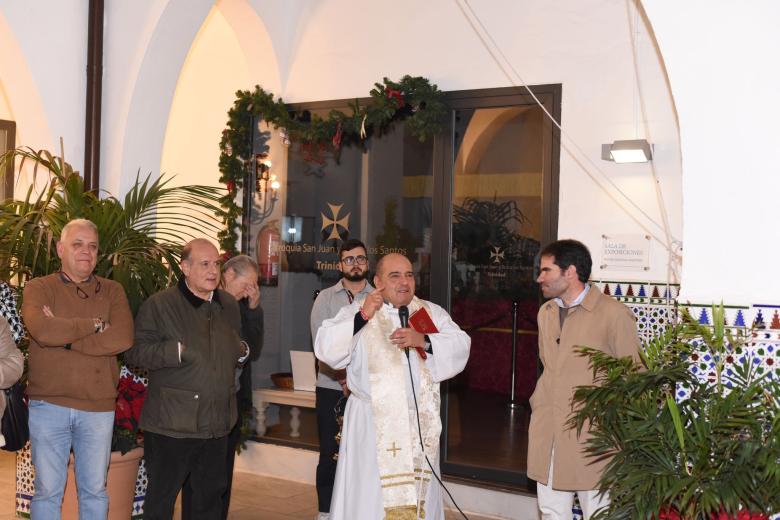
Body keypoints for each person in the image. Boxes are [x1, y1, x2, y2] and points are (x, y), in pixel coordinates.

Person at [314, 253, 470, 520]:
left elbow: (461, 345)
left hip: (416, 427)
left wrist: (425, 340)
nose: (404, 282)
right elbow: (326, 348)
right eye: (394, 275)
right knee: (370, 500)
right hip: (372, 427)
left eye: (409, 275)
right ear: (377, 282)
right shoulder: (360, 312)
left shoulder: (429, 313)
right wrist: (363, 316)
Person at [126, 238, 249, 520]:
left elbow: (236, 344)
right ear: (184, 267)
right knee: (161, 502)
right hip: (172, 426)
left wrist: (241, 352)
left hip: (217, 424)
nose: (213, 270)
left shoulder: (228, 304)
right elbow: (136, 353)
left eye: (216, 264)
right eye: (204, 264)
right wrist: (175, 351)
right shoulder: (160, 305)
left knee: (208, 502)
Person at [22, 218, 134, 519]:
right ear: (60, 249)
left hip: (98, 408)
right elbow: (42, 331)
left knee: (95, 491)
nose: (86, 251)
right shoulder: (38, 288)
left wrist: (67, 339)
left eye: (92, 246)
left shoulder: (112, 291)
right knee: (47, 492)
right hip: (48, 405)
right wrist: (95, 325)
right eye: (77, 244)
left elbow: (122, 338)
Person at [527, 239, 641, 519]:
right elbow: (549, 366)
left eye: (546, 270)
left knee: (598, 512)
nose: (539, 278)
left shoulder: (614, 314)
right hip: (549, 429)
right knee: (551, 510)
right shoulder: (546, 312)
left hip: (593, 436)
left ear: (570, 272)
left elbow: (635, 376)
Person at [181, 254, 263, 520]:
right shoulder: (208, 301)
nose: (251, 289)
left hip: (232, 400)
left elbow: (253, 351)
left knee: (223, 472)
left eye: (254, 285)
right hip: (199, 399)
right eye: (248, 283)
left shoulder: (241, 308)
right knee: (196, 472)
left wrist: (253, 310)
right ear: (228, 276)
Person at [309, 239, 373, 520]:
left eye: (360, 258)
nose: (355, 264)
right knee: (330, 453)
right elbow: (320, 345)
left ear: (367, 264)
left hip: (366, 392)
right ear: (339, 265)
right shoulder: (325, 298)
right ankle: (325, 511)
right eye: (349, 259)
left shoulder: (378, 298)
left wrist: (357, 381)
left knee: (362, 452)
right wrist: (344, 378)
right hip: (330, 387)